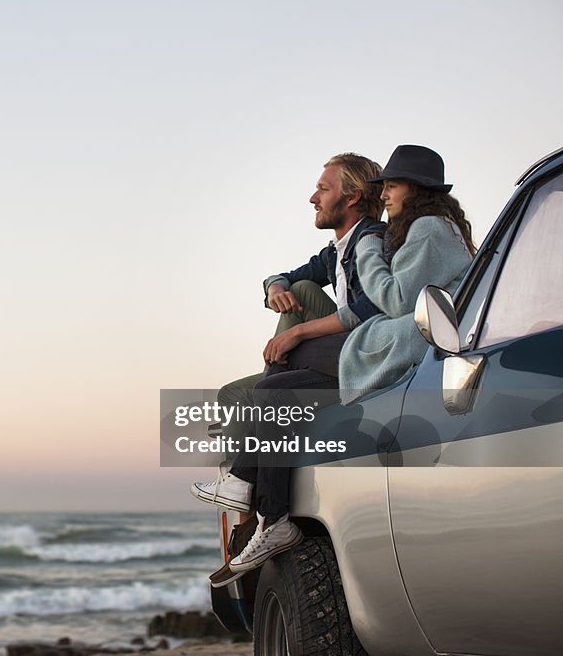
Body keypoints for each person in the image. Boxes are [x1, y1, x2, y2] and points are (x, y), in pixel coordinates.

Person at [207, 144, 476, 585]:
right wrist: (276, 287)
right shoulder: (378, 239)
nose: (386, 193)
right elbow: (291, 275)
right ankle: (251, 496)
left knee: (273, 384)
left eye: (393, 184)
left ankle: (251, 497)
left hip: (397, 346)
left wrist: (298, 331)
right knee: (258, 385)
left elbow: (384, 303)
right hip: (389, 340)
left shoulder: (395, 235)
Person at [191, 153, 386, 510]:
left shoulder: (373, 241)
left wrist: (297, 334)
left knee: (267, 388)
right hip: (335, 352)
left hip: (366, 355)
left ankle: (249, 485)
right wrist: (274, 289)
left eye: (323, 189)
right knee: (233, 393)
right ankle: (241, 491)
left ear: (353, 197)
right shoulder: (335, 254)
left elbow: (373, 309)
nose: (313, 199)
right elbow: (280, 276)